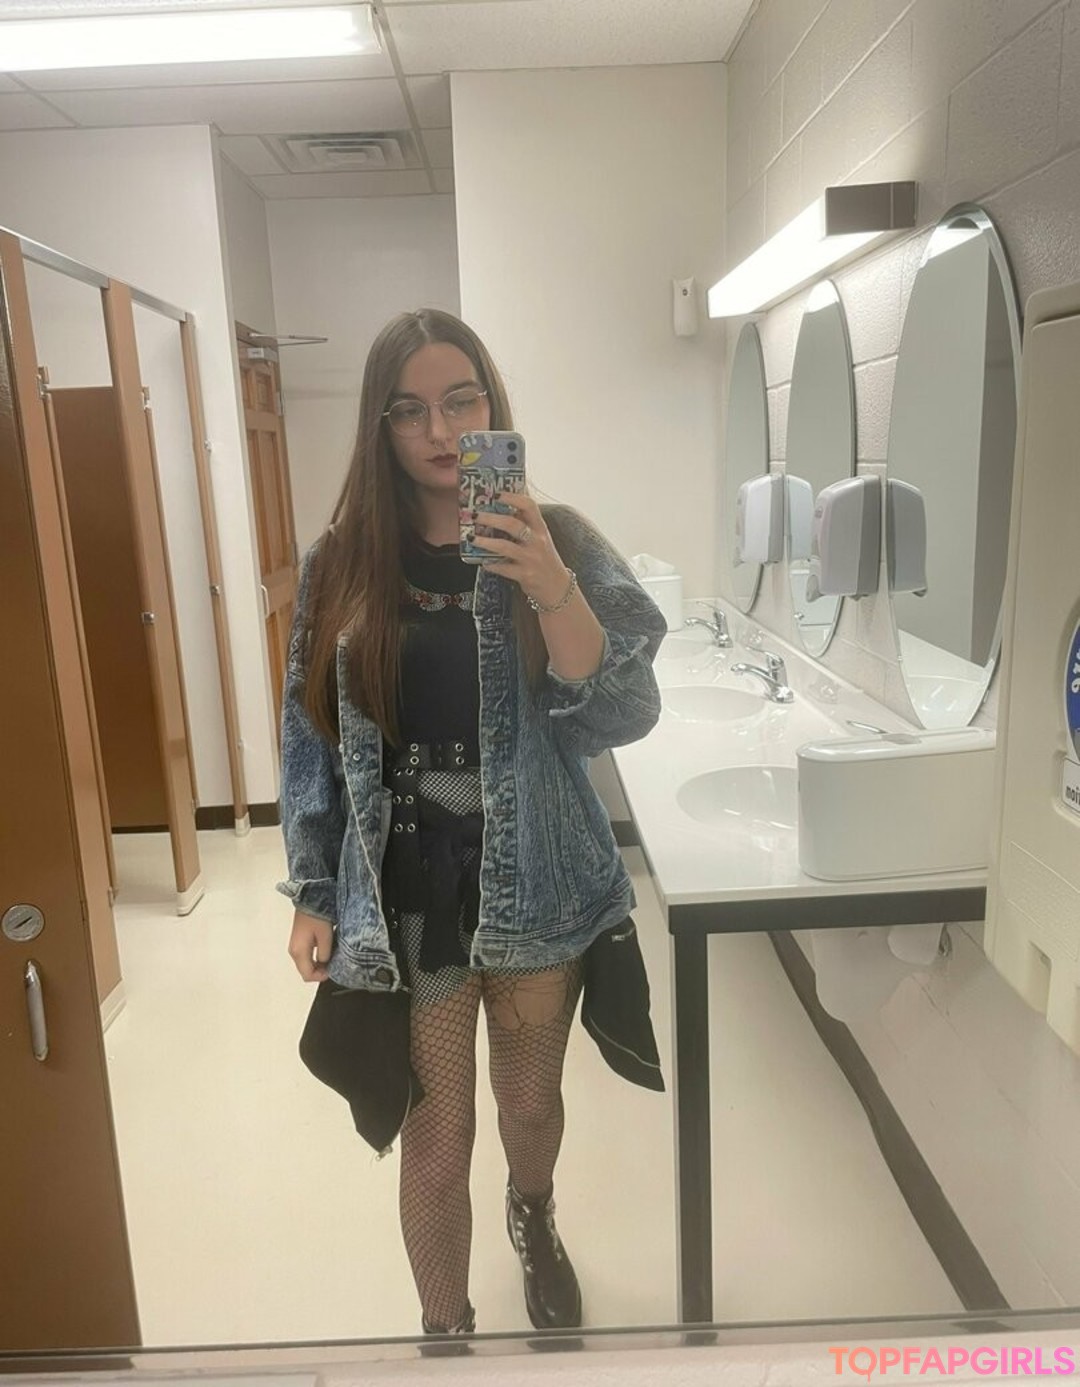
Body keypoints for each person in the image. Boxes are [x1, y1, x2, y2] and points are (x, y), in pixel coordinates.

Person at [278, 308, 667, 1340]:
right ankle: (445, 1330)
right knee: (435, 1139)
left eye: (461, 401)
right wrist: (314, 888)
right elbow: (311, 733)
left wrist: (550, 585)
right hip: (413, 888)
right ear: (381, 425)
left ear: (492, 402)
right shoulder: (342, 562)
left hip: (537, 874)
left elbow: (624, 710)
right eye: (409, 410)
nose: (441, 432)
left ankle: (532, 1212)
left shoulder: (558, 538)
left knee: (529, 1107)